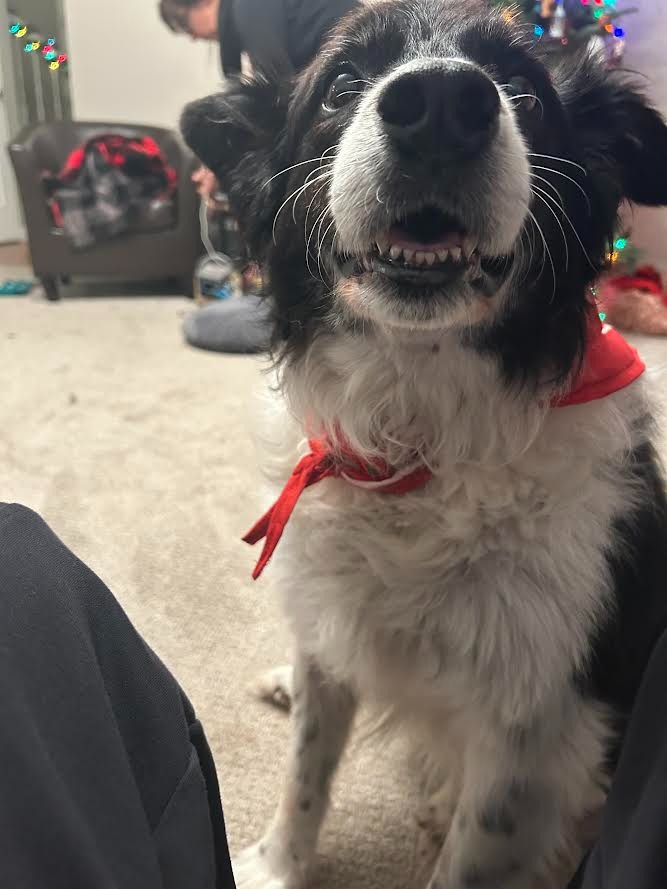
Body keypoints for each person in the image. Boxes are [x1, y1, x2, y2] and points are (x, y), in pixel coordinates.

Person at [2, 498, 667, 886]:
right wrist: (287, 848)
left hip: (573, 754)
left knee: (531, 752)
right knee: (330, 632)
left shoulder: (586, 488)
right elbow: (324, 629)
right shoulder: (313, 432)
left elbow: (539, 756)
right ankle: (290, 840)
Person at [159, 0, 359, 355]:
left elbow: (276, 95)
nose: (193, 38)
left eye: (185, 26)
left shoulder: (248, 6)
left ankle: (286, 299)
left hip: (346, 102)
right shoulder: (247, 22)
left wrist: (227, 165)